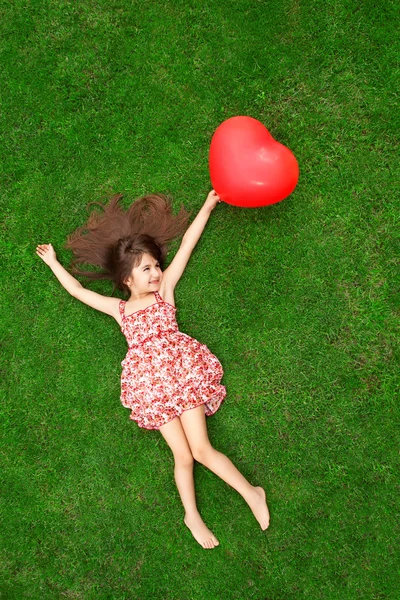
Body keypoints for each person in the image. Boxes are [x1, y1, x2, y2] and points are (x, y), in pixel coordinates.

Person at [36, 189, 270, 549]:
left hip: (182, 374)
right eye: (147, 269)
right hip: (150, 387)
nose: (157, 272)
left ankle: (252, 492)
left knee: (201, 450)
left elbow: (188, 244)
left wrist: (207, 206)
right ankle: (191, 515)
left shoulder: (166, 293)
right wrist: (53, 263)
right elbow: (79, 292)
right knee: (182, 456)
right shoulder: (120, 309)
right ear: (127, 279)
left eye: (157, 266)